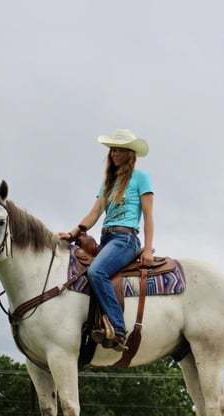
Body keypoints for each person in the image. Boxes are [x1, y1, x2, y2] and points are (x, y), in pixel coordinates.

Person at [59, 128, 154, 352]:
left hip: (126, 239)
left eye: (120, 149)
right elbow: (94, 214)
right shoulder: (108, 183)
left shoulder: (141, 178)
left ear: (130, 153)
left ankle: (118, 329)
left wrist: (148, 249)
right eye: (112, 149)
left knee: (96, 272)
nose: (115, 153)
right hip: (107, 238)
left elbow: (149, 215)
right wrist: (72, 234)